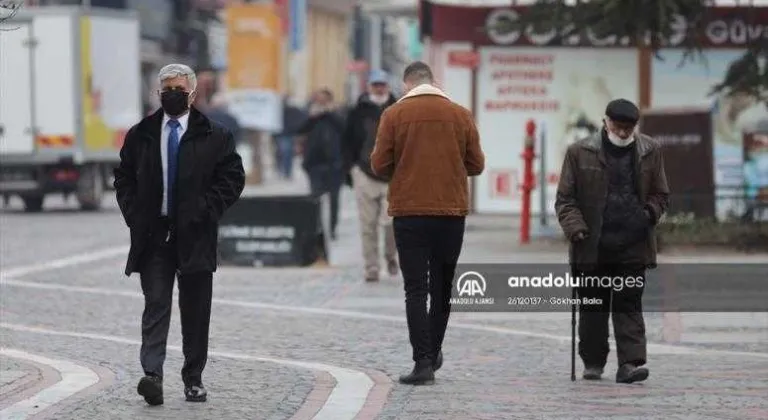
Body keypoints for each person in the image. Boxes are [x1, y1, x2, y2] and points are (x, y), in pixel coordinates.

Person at [113, 63, 245, 405]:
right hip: (154, 236)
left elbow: (232, 178)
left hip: (196, 235)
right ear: (159, 93)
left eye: (179, 90)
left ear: (193, 93)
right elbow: (124, 177)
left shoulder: (215, 135)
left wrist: (206, 211)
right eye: (167, 89)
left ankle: (193, 379)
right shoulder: (141, 133)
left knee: (196, 309)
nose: (173, 95)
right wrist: (135, 216)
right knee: (156, 304)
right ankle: (152, 375)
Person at [370, 61, 485, 385]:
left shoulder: (394, 114)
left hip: (409, 214)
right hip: (451, 214)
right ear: (433, 82)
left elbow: (379, 164)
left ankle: (422, 362)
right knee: (443, 287)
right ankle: (434, 350)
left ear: (408, 84)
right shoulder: (460, 114)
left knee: (416, 289)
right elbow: (476, 164)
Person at [555, 98, 669, 384]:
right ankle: (593, 362)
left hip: (633, 244)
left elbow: (661, 194)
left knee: (628, 306)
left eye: (628, 128)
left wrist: (647, 215)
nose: (622, 133)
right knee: (593, 308)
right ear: (605, 122)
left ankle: (630, 364)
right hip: (592, 244)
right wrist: (576, 228)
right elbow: (565, 200)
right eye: (618, 127)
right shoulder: (579, 152)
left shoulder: (650, 150)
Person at [342, 69, 399, 282]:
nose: (379, 88)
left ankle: (390, 256)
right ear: (369, 87)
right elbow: (346, 142)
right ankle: (371, 267)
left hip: (393, 175)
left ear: (387, 86)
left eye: (382, 84)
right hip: (364, 174)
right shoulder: (357, 111)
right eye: (375, 84)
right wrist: (350, 169)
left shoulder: (399, 109)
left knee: (390, 223)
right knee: (367, 225)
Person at [298, 88, 344, 239]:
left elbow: (344, 129)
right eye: (319, 100)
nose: (321, 103)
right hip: (315, 164)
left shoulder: (338, 114)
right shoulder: (311, 115)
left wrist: (329, 113)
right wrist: (313, 117)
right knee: (315, 198)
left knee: (334, 199)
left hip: (335, 164)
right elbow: (300, 129)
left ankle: (332, 228)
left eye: (324, 100)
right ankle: (316, 228)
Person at [274, 96, 309, 180]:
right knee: (285, 153)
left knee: (286, 153)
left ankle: (286, 171)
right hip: (284, 134)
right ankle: (284, 170)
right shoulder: (278, 111)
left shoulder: (292, 111)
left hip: (287, 134)